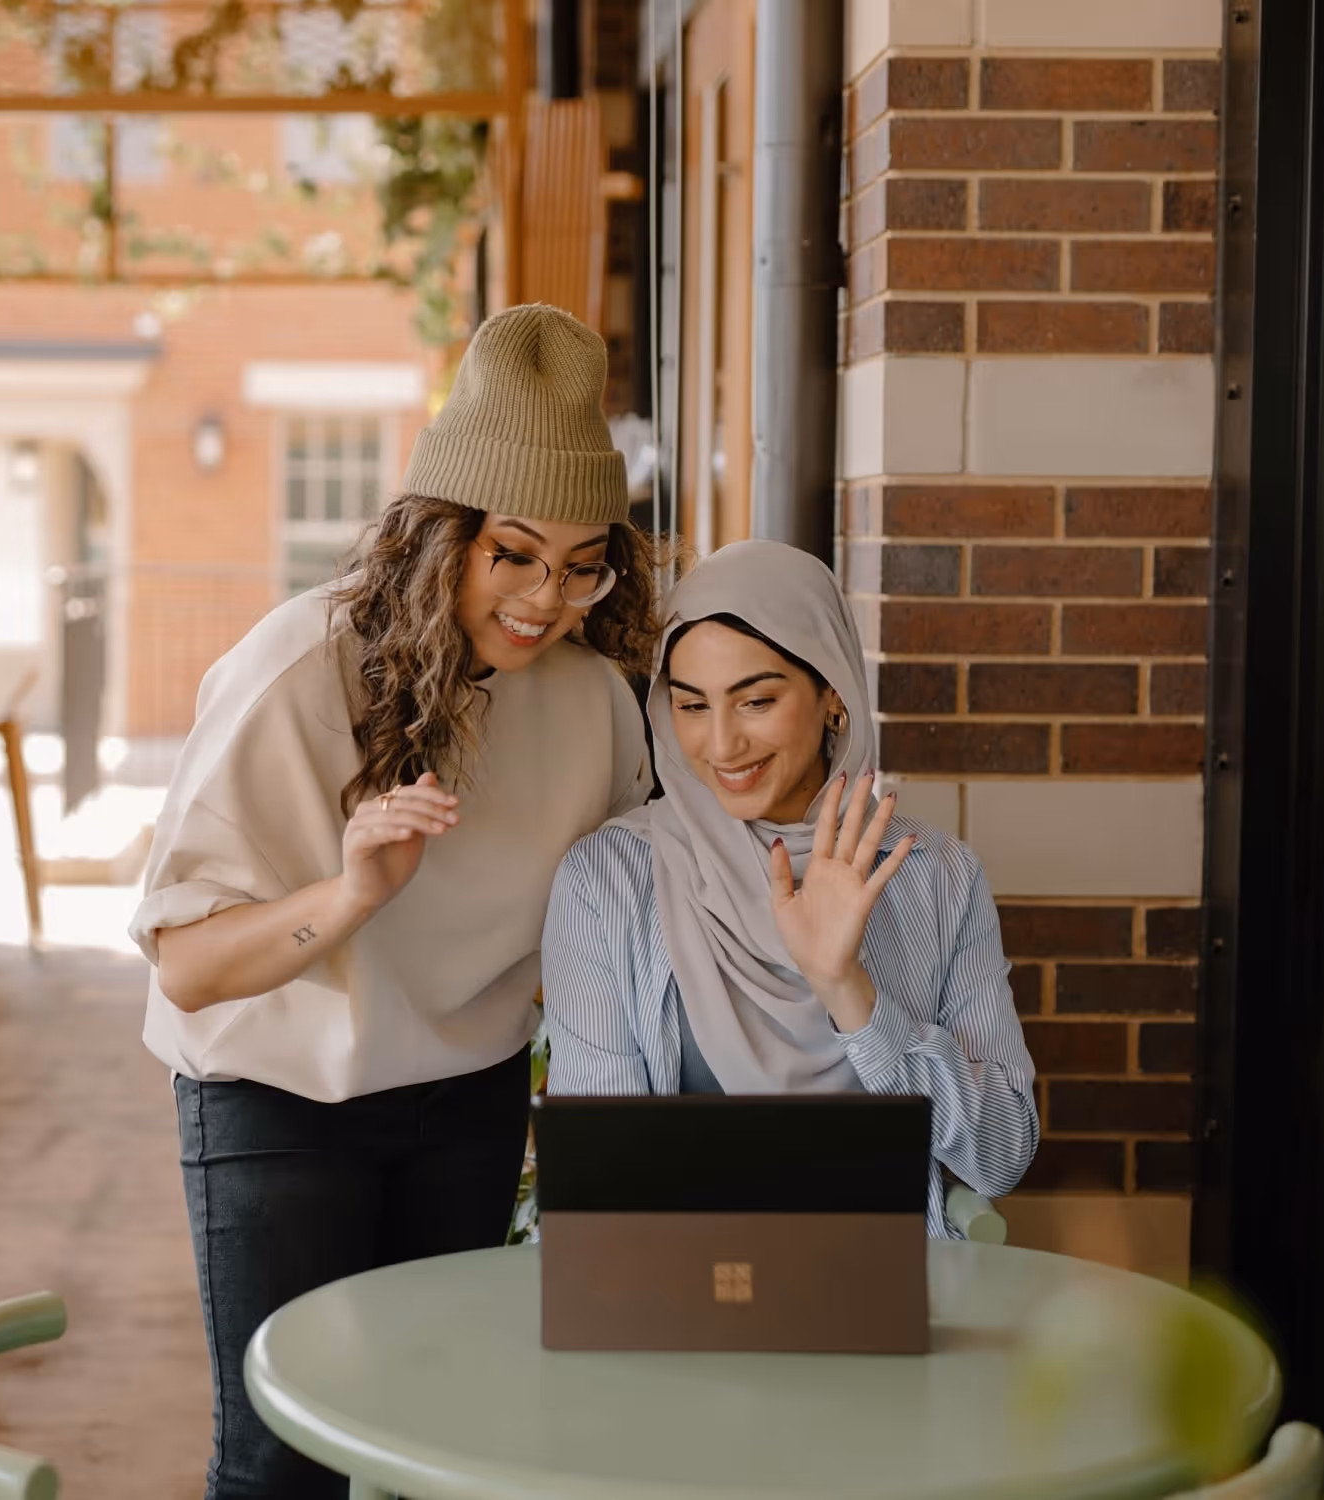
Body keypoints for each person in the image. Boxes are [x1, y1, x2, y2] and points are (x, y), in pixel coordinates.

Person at [131, 304, 660, 1499]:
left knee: (438, 1448)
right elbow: (186, 969)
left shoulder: (589, 703)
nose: (545, 598)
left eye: (584, 565)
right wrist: (352, 892)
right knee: (281, 1465)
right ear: (442, 536)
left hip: (463, 1098)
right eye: (512, 554)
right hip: (278, 1097)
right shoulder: (293, 672)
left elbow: (619, 920)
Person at [541, 540, 1037, 1232]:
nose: (720, 745)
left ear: (832, 690)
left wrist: (849, 991)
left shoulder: (937, 878)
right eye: (691, 706)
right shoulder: (608, 883)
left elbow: (1001, 1156)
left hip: (879, 1296)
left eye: (756, 701)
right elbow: (598, 1180)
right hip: (673, 1297)